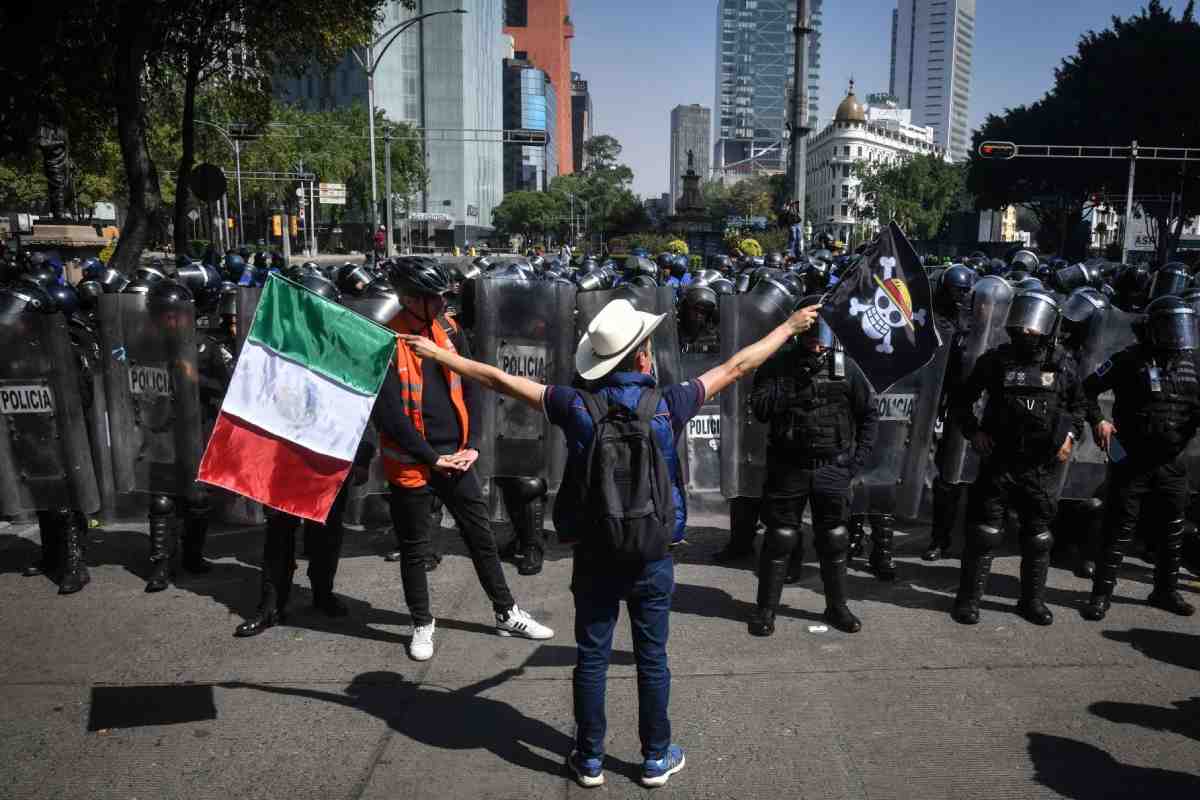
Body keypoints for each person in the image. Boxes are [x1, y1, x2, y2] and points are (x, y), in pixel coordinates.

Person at [401, 294, 822, 789]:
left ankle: (590, 758)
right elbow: (737, 365)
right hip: (653, 553)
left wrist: (442, 356)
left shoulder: (574, 404)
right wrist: (790, 327)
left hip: (596, 553)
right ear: (642, 357)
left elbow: (499, 380)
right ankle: (655, 758)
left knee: (592, 656)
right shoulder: (669, 403)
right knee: (652, 658)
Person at [373, 256, 554, 663]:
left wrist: (471, 443)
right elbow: (387, 414)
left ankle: (506, 612)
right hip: (413, 462)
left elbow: (470, 383)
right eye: (432, 299)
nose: (441, 305)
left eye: (442, 298)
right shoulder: (386, 340)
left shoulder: (449, 330)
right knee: (415, 549)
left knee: (481, 538)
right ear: (407, 298)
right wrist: (431, 458)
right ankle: (422, 623)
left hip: (457, 456)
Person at [947, 290, 1087, 626]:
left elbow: (1078, 406)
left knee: (1038, 536)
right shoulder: (996, 361)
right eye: (1021, 322)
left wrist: (1070, 435)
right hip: (1000, 461)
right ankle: (968, 601)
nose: (1025, 330)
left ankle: (1032, 601)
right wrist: (973, 431)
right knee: (984, 533)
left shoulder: (1062, 363)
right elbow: (962, 400)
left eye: (1032, 324)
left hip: (1040, 466)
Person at [748, 306, 879, 636]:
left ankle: (837, 607)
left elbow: (868, 416)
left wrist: (854, 464)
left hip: (832, 467)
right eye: (810, 337)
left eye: (821, 339)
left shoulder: (846, 366)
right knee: (780, 537)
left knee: (835, 537)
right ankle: (766, 610)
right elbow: (760, 409)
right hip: (788, 467)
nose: (816, 346)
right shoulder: (777, 363)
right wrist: (791, 379)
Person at [1080, 296, 1200, 621]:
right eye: (1172, 327)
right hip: (1129, 457)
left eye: (1184, 327)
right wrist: (1098, 421)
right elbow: (1085, 390)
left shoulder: (1193, 364)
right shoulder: (1128, 359)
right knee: (1118, 527)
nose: (1179, 336)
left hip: (1172, 461)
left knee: (1173, 529)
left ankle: (1165, 590)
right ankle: (1101, 595)